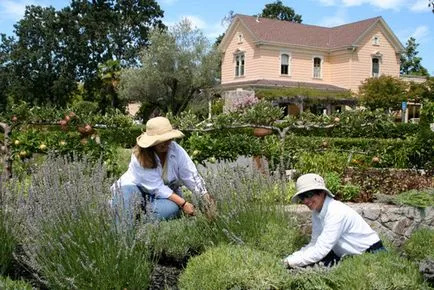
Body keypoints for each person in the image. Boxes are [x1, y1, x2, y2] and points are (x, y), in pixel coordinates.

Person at [111, 116, 215, 221]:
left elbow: (190, 175)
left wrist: (205, 197)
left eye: (167, 139)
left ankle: (137, 214)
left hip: (156, 197)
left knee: (172, 209)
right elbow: (157, 187)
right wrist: (183, 204)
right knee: (125, 202)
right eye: (160, 140)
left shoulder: (176, 151)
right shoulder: (140, 156)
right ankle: (124, 217)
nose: (165, 143)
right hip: (133, 188)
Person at [283, 173, 385, 268]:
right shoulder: (317, 212)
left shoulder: (336, 212)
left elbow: (321, 250)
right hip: (350, 257)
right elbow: (315, 243)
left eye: (309, 195)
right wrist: (289, 259)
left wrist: (290, 262)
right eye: (302, 197)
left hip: (372, 254)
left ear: (322, 192)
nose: (305, 201)